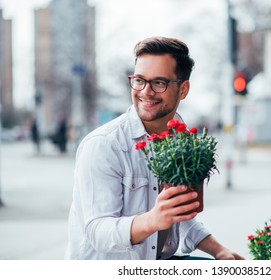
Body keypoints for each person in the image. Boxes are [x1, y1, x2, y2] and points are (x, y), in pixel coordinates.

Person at [65, 36, 244, 260]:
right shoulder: (104, 144)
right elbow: (98, 232)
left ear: (183, 90)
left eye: (159, 83)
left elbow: (178, 216)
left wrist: (219, 250)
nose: (146, 91)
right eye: (139, 80)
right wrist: (153, 220)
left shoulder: (180, 141)